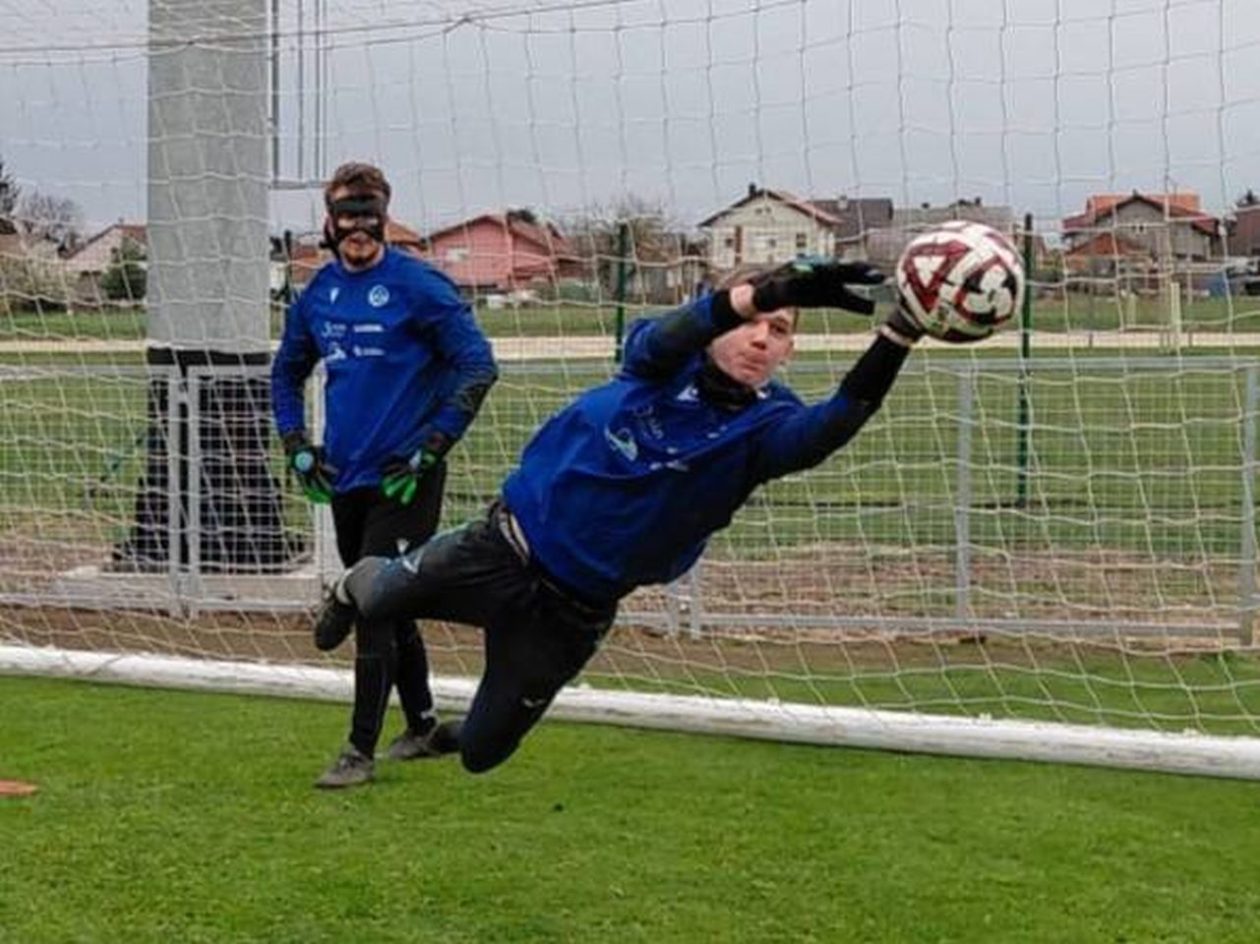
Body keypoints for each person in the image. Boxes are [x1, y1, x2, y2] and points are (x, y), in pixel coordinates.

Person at [314, 257, 926, 775]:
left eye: (780, 329)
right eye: (750, 321)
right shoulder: (659, 361)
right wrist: (763, 293)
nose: (762, 338)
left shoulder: (766, 429)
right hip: (500, 549)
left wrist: (898, 333)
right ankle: (350, 583)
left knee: (481, 753)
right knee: (380, 596)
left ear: (789, 351)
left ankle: (453, 731)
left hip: (572, 613)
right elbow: (671, 336)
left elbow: (829, 428)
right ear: (719, 324)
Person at [272, 161, 498, 788]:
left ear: (385, 218)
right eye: (347, 216)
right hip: (344, 477)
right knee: (390, 605)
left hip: (406, 478)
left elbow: (478, 366)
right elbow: (285, 372)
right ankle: (422, 725)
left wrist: (431, 446)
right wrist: (296, 444)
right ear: (329, 221)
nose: (358, 229)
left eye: (368, 215)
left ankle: (358, 751)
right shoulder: (317, 294)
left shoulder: (420, 287)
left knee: (372, 603)